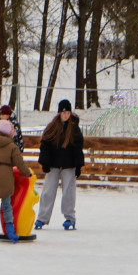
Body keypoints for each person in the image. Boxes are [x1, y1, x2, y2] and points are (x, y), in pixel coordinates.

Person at [35, 99, 85, 231]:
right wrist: (45, 162)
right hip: (53, 165)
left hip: (69, 165)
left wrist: (78, 165)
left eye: (68, 112)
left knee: (69, 192)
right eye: (64, 112)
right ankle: (42, 217)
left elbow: (78, 148)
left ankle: (69, 218)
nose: (66, 115)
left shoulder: (74, 128)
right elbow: (45, 145)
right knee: (48, 191)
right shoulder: (52, 127)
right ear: (59, 113)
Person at [0, 118, 32, 242]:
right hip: (5, 179)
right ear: (9, 132)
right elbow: (19, 163)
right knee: (6, 205)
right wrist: (27, 173)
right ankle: (10, 231)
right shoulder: (11, 146)